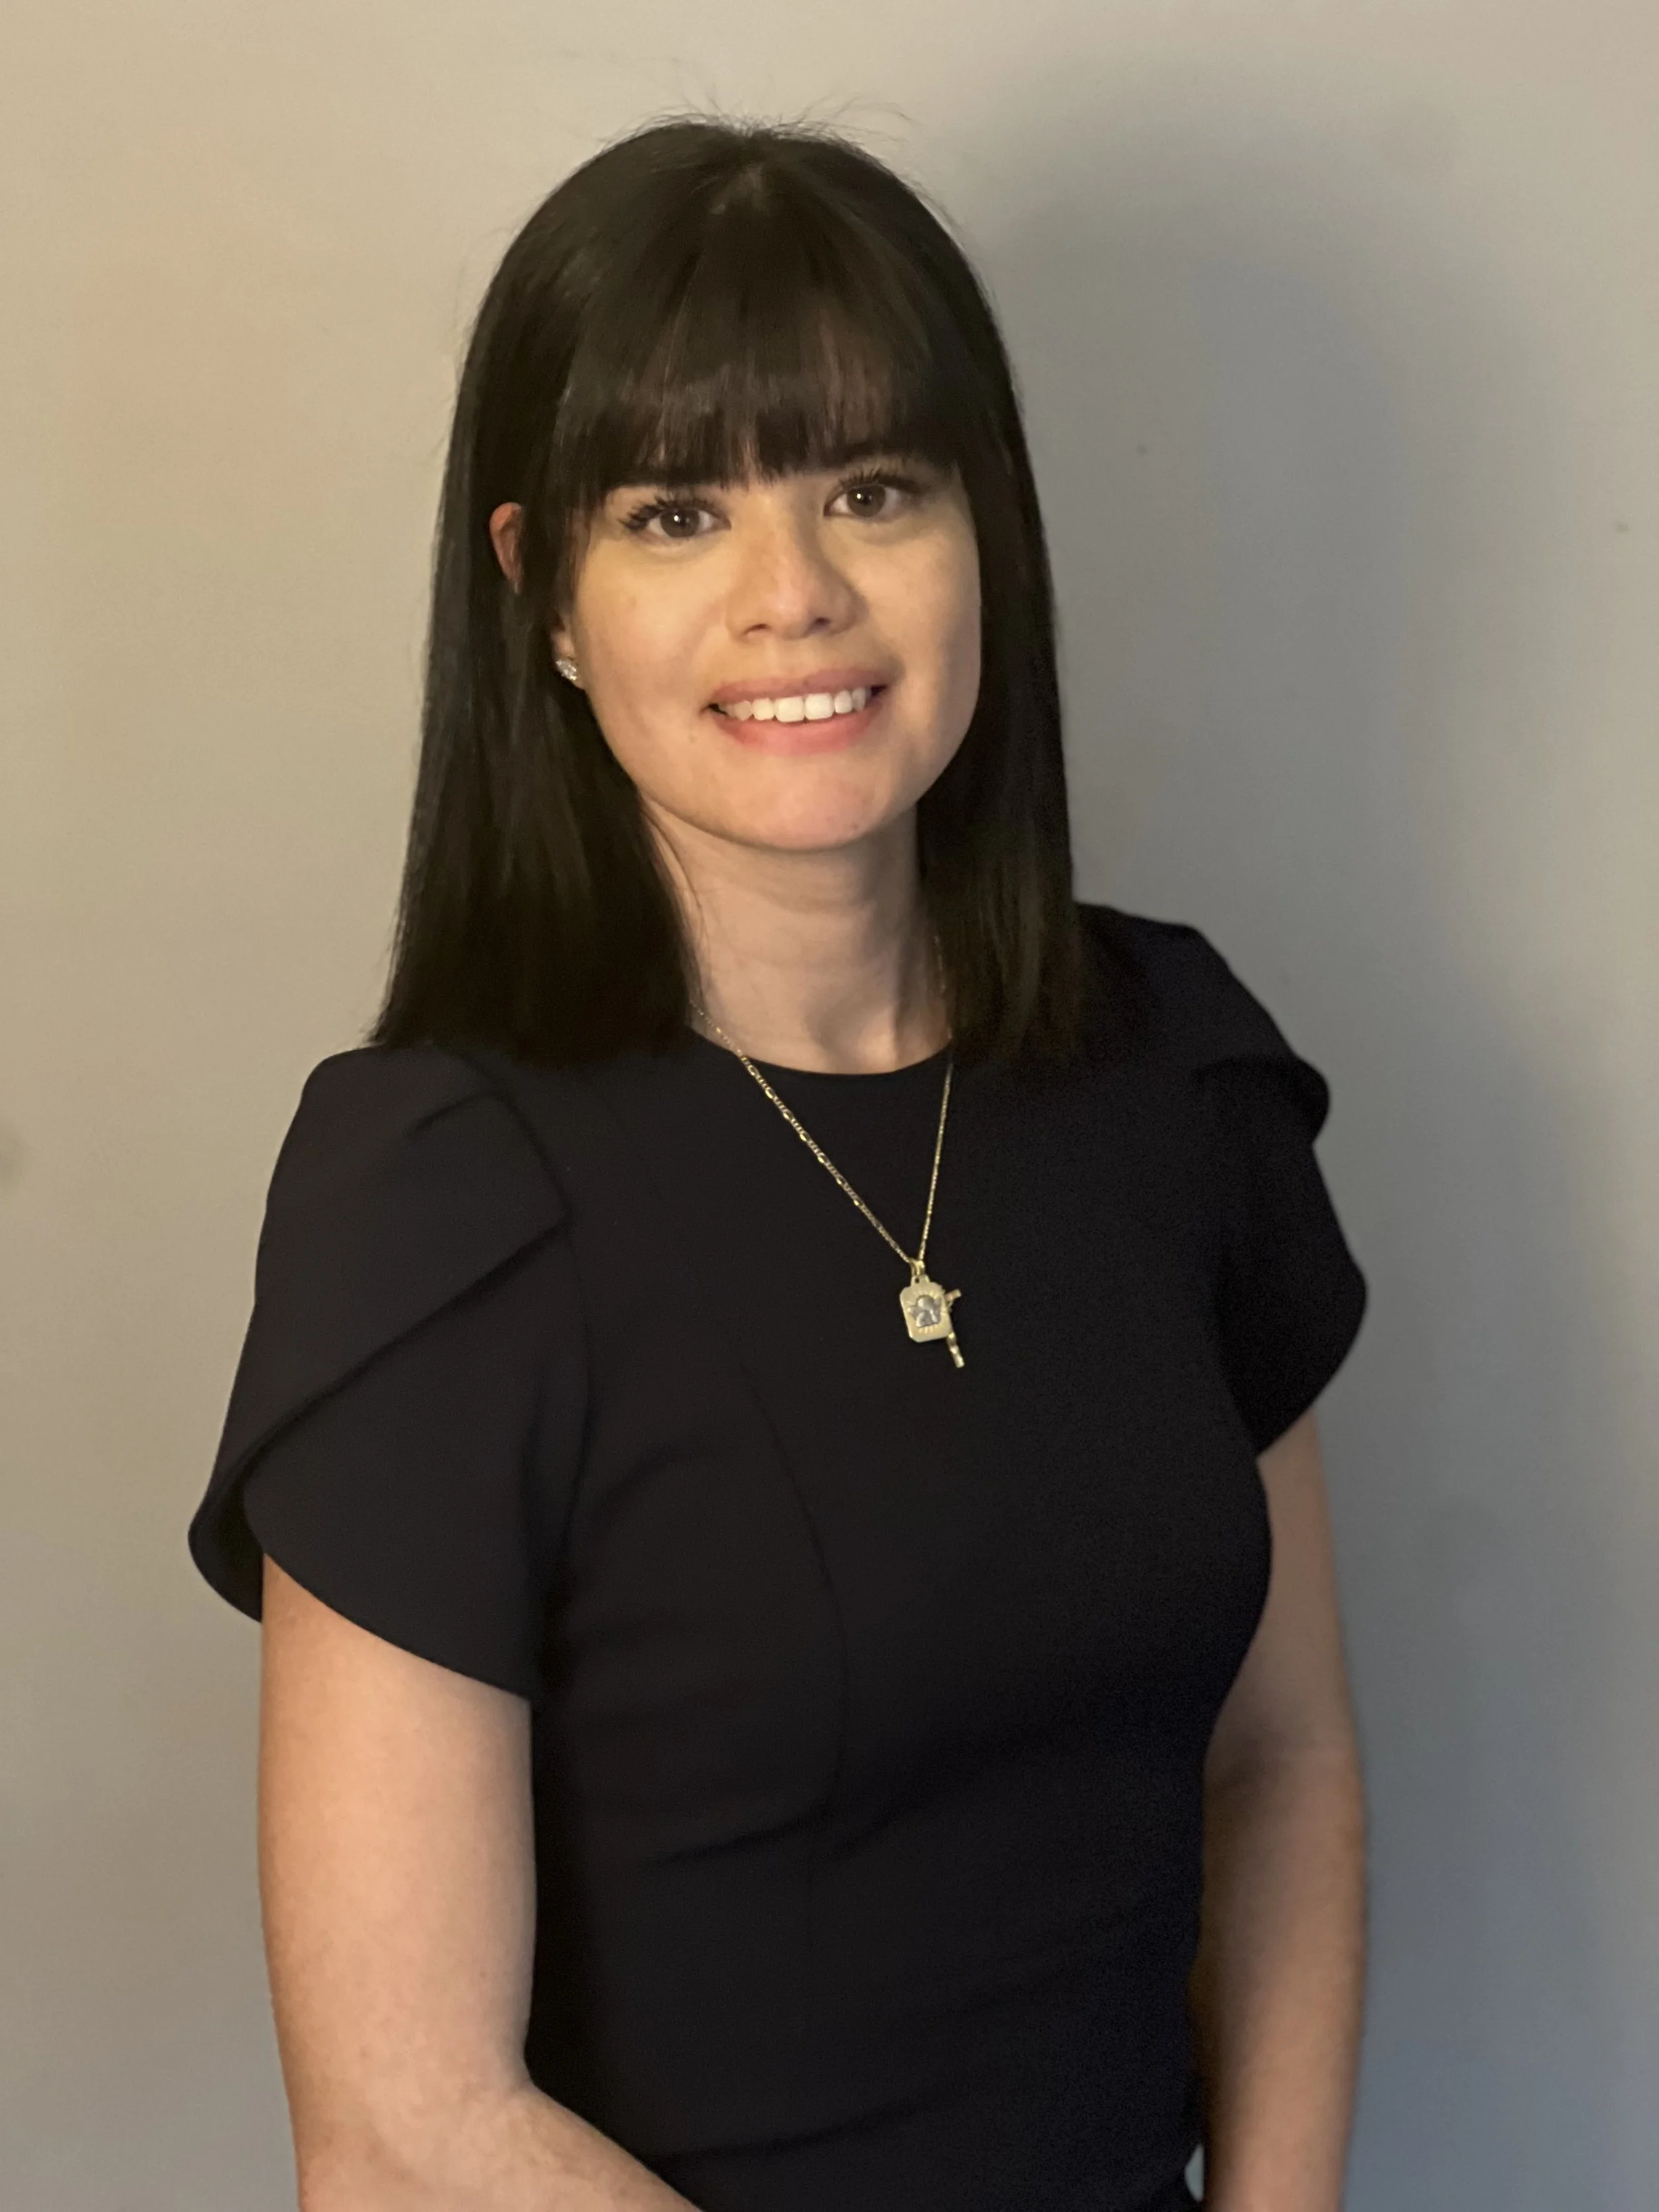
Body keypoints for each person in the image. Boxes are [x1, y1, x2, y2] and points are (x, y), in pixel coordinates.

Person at [188, 115, 1370, 2212]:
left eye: (871, 486)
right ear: (541, 597)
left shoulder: (1176, 1076)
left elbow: (1275, 1771)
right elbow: (405, 2130)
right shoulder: (441, 1202)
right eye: (673, 512)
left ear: (981, 529)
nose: (792, 592)